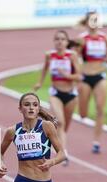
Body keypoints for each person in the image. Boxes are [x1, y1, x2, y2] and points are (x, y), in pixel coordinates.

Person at [34, 30, 81, 166]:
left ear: (67, 42)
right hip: (55, 93)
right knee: (59, 122)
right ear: (54, 42)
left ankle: (60, 143)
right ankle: (63, 153)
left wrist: (67, 75)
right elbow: (44, 69)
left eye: (62, 39)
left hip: (71, 95)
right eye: (57, 39)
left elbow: (78, 76)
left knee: (64, 126)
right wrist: (40, 82)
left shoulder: (72, 56)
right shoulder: (49, 56)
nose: (60, 42)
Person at [74, 11, 107, 154]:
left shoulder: (106, 38)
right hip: (85, 77)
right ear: (87, 23)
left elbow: (105, 57)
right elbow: (75, 58)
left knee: (100, 109)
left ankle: (96, 142)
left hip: (100, 76)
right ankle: (83, 113)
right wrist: (77, 75)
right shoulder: (81, 39)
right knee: (83, 114)